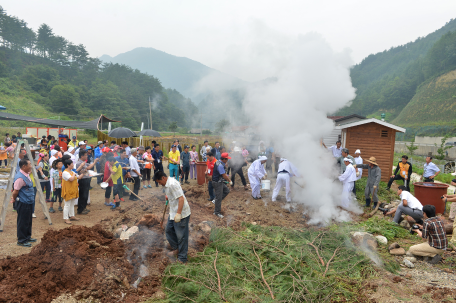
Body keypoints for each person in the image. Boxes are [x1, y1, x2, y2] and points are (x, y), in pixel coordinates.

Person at [155, 171, 191, 263]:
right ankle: (177, 249)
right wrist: (169, 196)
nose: (159, 184)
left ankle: (182, 258)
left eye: (159, 182)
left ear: (163, 178)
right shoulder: (167, 183)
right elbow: (174, 194)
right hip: (173, 212)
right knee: (169, 230)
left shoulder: (172, 184)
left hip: (181, 213)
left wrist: (179, 214)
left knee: (181, 236)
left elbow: (181, 198)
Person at [10, 159, 36, 247]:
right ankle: (21, 240)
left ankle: (27, 237)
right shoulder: (20, 178)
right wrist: (13, 199)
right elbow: (15, 191)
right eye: (29, 164)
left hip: (28, 201)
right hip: (23, 202)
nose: (31, 166)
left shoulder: (26, 174)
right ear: (24, 166)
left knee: (28, 221)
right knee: (23, 222)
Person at [75, 150, 98, 214]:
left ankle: (84, 208)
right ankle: (80, 209)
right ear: (82, 156)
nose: (87, 156)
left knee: (86, 195)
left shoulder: (83, 162)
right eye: (85, 155)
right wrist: (87, 170)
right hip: (82, 180)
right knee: (82, 195)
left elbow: (88, 167)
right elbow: (84, 170)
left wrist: (94, 162)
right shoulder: (79, 163)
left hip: (86, 179)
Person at [61, 159, 82, 224]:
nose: (73, 165)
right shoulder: (65, 172)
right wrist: (74, 174)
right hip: (67, 191)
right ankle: (66, 218)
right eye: (72, 164)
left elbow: (79, 177)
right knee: (67, 205)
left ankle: (72, 215)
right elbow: (71, 179)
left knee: (72, 204)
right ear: (68, 165)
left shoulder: (72, 172)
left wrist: (84, 173)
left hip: (72, 190)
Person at [212, 152, 232, 218]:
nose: (227, 161)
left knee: (227, 191)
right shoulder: (220, 165)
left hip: (219, 181)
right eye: (227, 159)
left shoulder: (218, 162)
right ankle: (216, 212)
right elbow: (223, 175)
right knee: (219, 198)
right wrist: (229, 181)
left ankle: (216, 200)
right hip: (217, 183)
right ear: (224, 159)